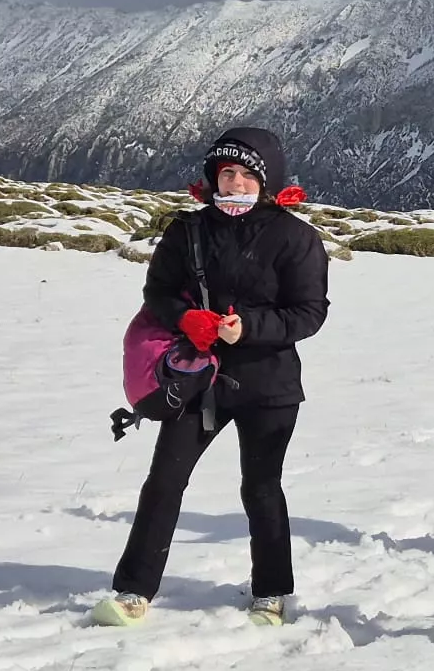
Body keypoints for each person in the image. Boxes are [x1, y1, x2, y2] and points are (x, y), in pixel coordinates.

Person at [94, 128, 330, 627]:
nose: (237, 183)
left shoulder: (296, 237)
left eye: (248, 175)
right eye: (228, 173)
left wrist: (249, 329)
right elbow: (157, 290)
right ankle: (133, 590)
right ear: (212, 176)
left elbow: (309, 314)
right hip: (198, 380)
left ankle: (271, 592)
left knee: (261, 486)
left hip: (269, 385)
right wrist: (186, 319)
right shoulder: (188, 231)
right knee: (164, 481)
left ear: (267, 182)